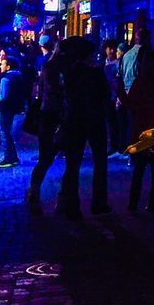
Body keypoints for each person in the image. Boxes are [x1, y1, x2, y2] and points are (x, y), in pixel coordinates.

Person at [57, 37, 113, 217]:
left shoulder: (70, 73)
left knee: (73, 163)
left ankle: (71, 205)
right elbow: (106, 95)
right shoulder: (96, 73)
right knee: (100, 162)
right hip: (95, 120)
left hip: (74, 120)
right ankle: (99, 203)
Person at [121, 42, 154, 213]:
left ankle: (133, 203)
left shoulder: (141, 82)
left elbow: (131, 104)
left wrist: (120, 91)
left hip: (141, 130)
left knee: (139, 168)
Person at [27, 38, 73, 217]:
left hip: (51, 116)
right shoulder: (54, 68)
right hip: (53, 117)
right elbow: (54, 92)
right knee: (49, 157)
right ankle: (38, 194)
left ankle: (37, 194)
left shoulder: (52, 67)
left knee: (48, 158)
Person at [0, 52, 28, 167]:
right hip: (11, 108)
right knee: (6, 132)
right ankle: (12, 156)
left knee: (4, 133)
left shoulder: (6, 79)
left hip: (3, 108)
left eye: (2, 64)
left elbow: (3, 97)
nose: (0, 66)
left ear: (8, 67)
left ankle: (6, 157)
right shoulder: (17, 76)